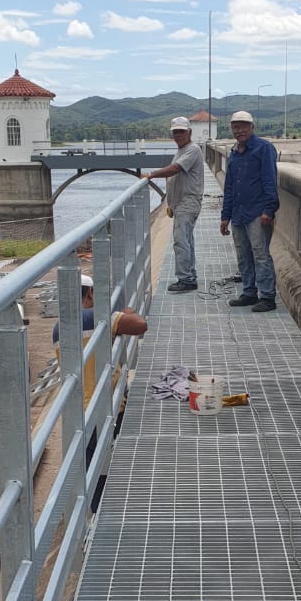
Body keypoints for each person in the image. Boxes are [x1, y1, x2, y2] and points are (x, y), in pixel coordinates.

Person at [52, 274, 147, 510]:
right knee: (110, 466)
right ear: (91, 293)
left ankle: (98, 514)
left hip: (80, 411)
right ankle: (113, 510)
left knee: (93, 469)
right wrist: (121, 314)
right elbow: (139, 325)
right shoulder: (96, 318)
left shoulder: (59, 327)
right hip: (106, 407)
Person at [220, 110, 279, 312]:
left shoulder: (264, 148)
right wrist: (225, 215)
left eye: (244, 126)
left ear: (252, 127)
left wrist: (268, 210)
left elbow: (270, 181)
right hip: (238, 213)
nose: (240, 130)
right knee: (243, 255)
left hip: (257, 212)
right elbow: (229, 186)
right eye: (236, 127)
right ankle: (249, 292)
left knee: (260, 254)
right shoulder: (234, 152)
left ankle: (268, 297)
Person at [142, 116, 204, 292]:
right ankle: (189, 276)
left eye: (181, 132)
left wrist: (151, 175)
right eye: (175, 132)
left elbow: (175, 169)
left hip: (188, 202)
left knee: (181, 241)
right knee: (187, 240)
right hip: (180, 203)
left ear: (189, 132)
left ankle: (185, 279)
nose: (178, 135)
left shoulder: (192, 150)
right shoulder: (182, 150)